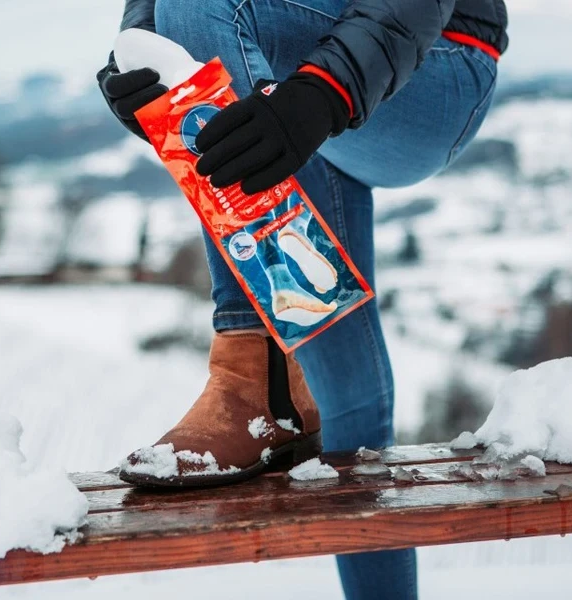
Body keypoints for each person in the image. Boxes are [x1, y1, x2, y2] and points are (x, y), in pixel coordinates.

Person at [98, 1, 507, 598]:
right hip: (292, 70)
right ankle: (287, 395)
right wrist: (139, 60)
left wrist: (321, 94)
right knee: (344, 400)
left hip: (437, 61)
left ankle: (255, 369)